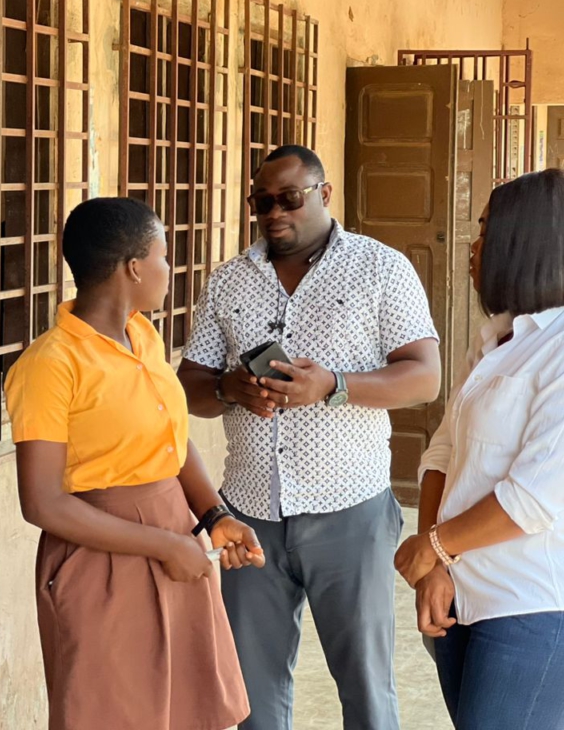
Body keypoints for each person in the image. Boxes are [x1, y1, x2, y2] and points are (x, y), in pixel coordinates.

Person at [178, 145, 442, 730]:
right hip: (250, 518)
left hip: (349, 512)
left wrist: (334, 385)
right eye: (262, 202)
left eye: (290, 199)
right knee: (251, 697)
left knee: (366, 690)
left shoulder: (381, 267)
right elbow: (188, 386)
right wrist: (230, 388)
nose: (275, 213)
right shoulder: (228, 281)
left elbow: (424, 376)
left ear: (324, 196)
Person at [5, 197, 264, 730]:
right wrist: (166, 545)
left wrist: (213, 516)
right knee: (114, 711)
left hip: (176, 536)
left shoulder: (142, 335)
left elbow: (172, 439)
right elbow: (42, 502)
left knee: (190, 709)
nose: (170, 270)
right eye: (164, 256)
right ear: (134, 267)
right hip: (100, 558)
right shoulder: (51, 365)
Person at [395, 168, 564, 730]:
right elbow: (442, 453)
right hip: (464, 596)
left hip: (539, 607)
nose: (473, 248)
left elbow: (531, 498)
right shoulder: (499, 339)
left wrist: (434, 546)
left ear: (529, 242)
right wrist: (438, 568)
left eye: (486, 231)